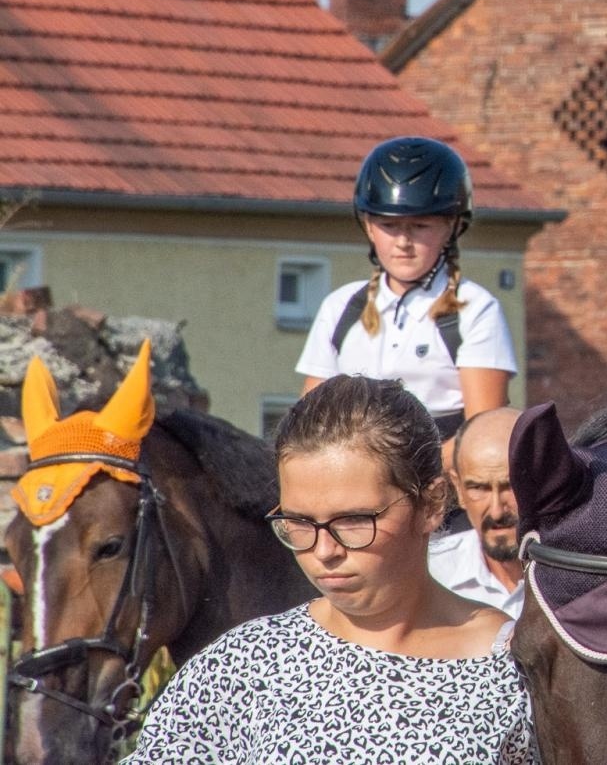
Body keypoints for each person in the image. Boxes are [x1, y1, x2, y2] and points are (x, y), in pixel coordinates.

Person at [126, 376, 537, 762]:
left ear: (430, 504)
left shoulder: (518, 672)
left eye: (353, 520)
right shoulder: (244, 666)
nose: (323, 551)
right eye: (300, 522)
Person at [296, 137, 518, 442]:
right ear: (369, 226)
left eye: (420, 226)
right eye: (389, 226)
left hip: (441, 464)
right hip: (351, 462)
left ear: (452, 227)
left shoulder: (476, 309)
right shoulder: (339, 307)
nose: (403, 242)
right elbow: (309, 422)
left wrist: (398, 468)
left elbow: (481, 435)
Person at [429, 406, 526, 617]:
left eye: (510, 487)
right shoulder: (430, 575)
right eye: (479, 488)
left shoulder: (581, 578)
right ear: (458, 489)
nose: (497, 511)